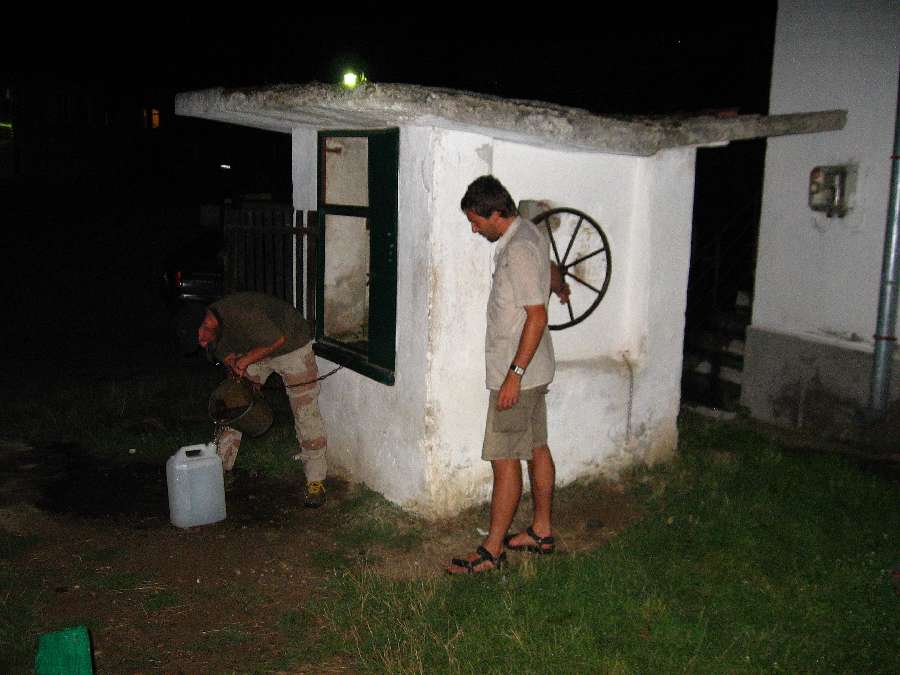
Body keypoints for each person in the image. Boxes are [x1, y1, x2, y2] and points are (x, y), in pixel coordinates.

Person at [448, 175, 569, 574]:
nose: (474, 229)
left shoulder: (517, 249)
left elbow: (536, 316)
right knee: (537, 447)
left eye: (476, 221)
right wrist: (559, 285)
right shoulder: (530, 232)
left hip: (519, 374)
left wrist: (513, 375)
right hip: (536, 370)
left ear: (496, 214)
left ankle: (492, 550)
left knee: (504, 459)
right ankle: (541, 531)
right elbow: (548, 270)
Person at [197, 291, 328, 508]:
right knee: (231, 403)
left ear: (206, 323)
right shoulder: (213, 334)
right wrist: (235, 366)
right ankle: (218, 471)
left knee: (305, 411)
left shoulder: (240, 312)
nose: (202, 344)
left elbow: (276, 339)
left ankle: (316, 480)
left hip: (291, 344)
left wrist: (244, 361)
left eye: (202, 339)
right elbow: (227, 357)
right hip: (257, 350)